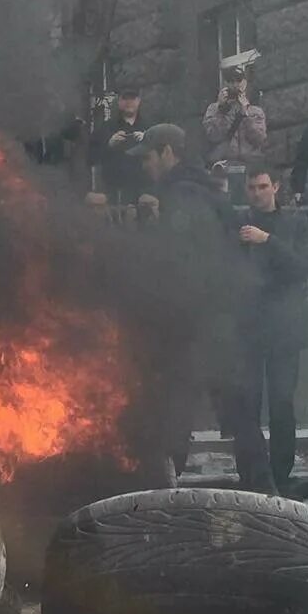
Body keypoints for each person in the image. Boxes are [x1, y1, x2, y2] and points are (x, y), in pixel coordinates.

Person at [126, 124, 266, 489]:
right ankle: (265, 493)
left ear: (168, 152)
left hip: (200, 323)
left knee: (176, 406)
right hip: (222, 319)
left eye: (149, 157)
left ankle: (160, 493)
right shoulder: (205, 192)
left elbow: (189, 262)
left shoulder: (184, 196)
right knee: (237, 411)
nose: (146, 166)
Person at [234, 165, 308, 488]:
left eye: (263, 186)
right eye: (252, 188)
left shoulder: (294, 222)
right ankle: (251, 473)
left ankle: (281, 475)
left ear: (276, 187)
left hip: (285, 328)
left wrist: (268, 241)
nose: (257, 193)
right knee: (246, 404)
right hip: (249, 328)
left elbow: (303, 267)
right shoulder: (239, 224)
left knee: (281, 403)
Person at [87, 88, 151, 206]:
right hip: (113, 194)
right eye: (125, 98)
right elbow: (91, 157)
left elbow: (161, 156)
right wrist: (109, 144)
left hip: (143, 194)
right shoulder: (106, 128)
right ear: (119, 101)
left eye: (132, 98)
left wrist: (147, 140)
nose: (129, 102)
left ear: (139, 100)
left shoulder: (150, 127)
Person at [203, 65, 268, 172]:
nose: (235, 85)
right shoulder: (213, 109)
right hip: (225, 164)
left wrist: (245, 113)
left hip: (249, 164)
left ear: (245, 83)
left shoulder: (255, 111)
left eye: (238, 80)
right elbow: (213, 136)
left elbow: (259, 139)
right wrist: (221, 110)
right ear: (225, 84)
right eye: (230, 81)